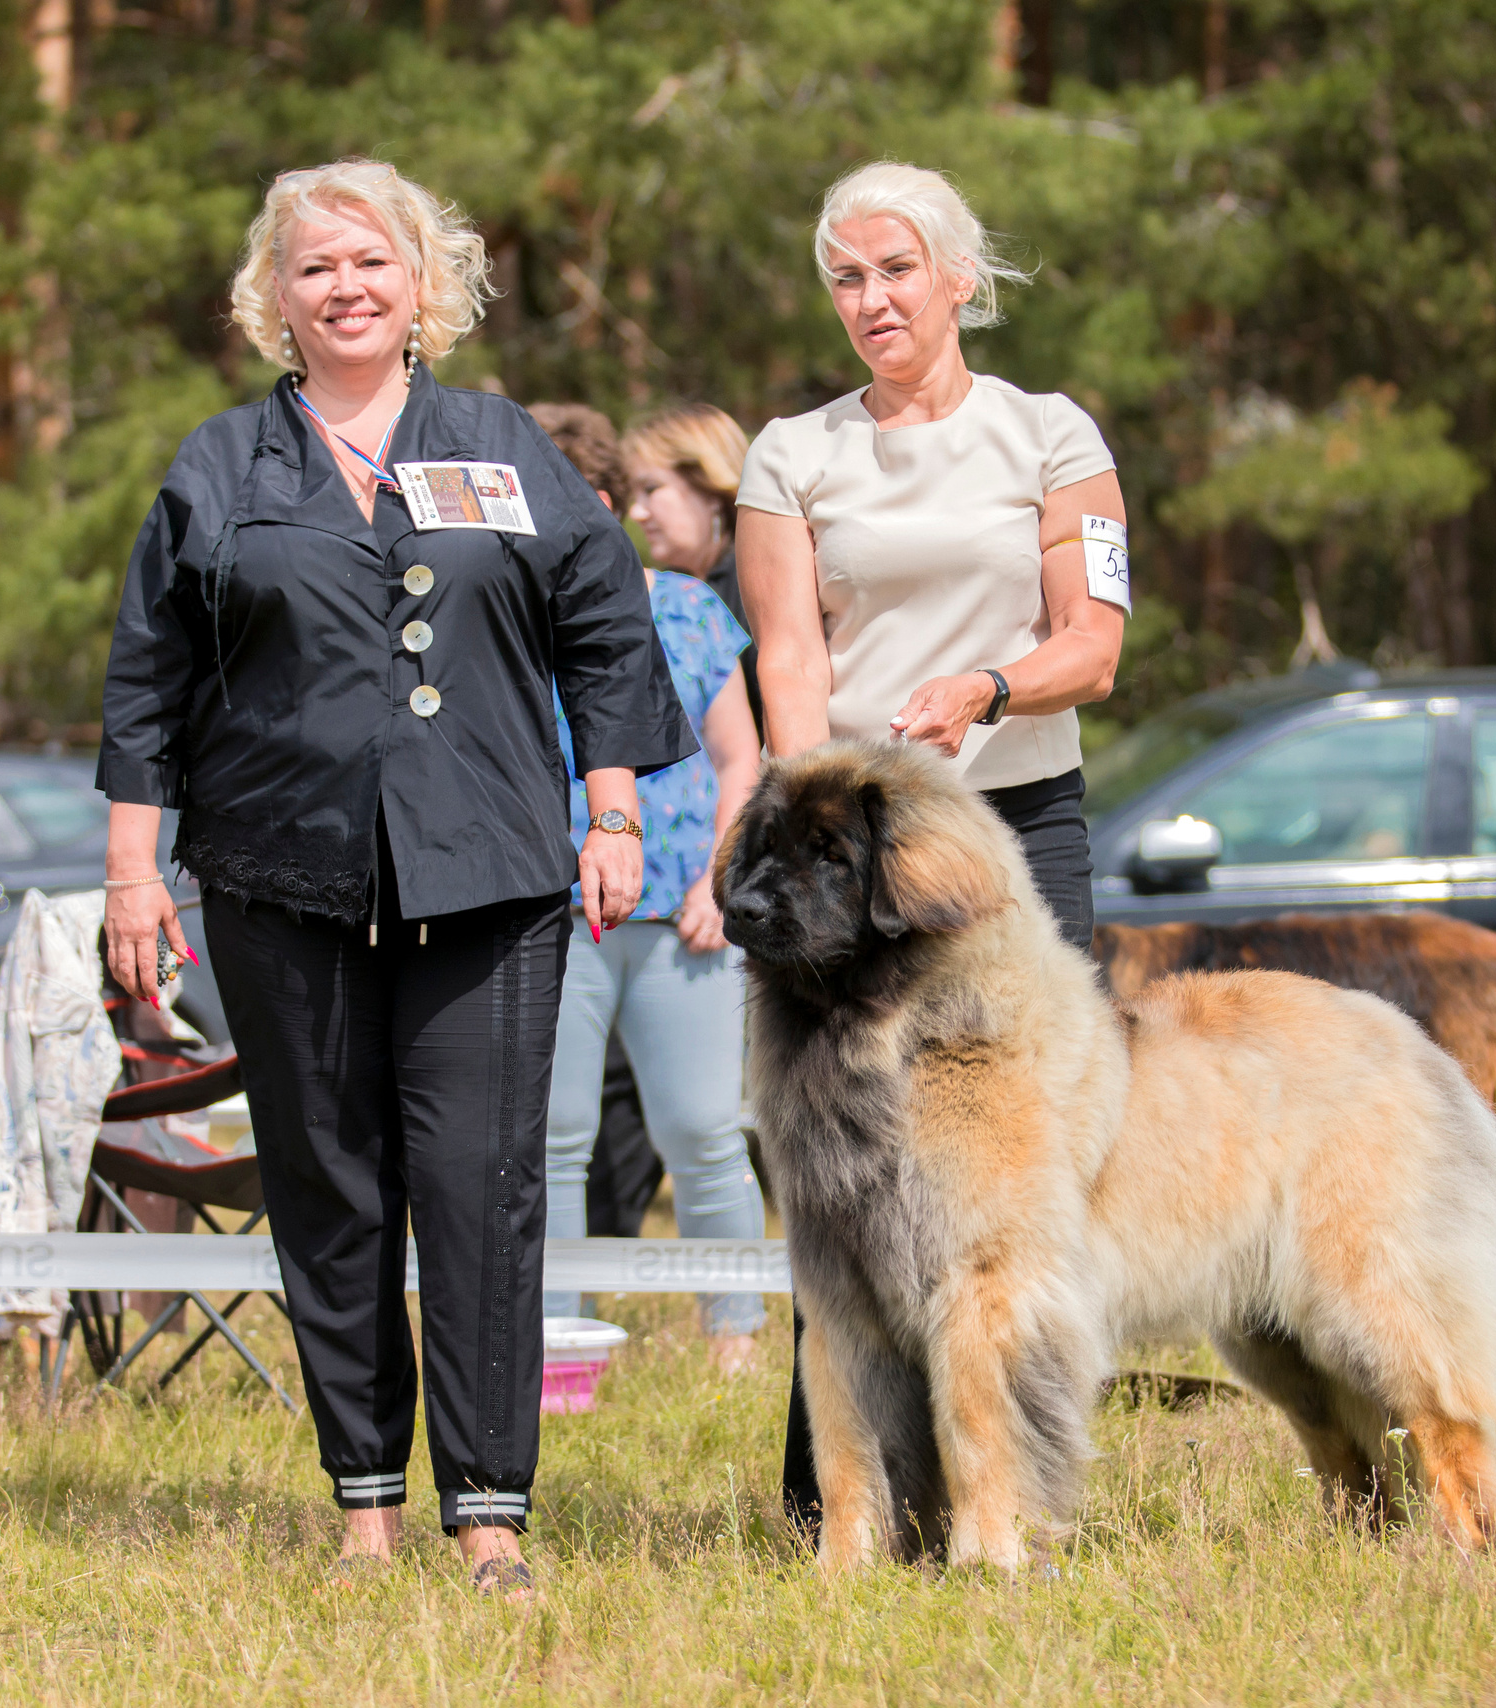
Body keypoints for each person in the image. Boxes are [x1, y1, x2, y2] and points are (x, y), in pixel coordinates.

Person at [96, 160, 694, 1598]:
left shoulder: (502, 446)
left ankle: (489, 1512)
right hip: (276, 875)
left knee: (484, 1185)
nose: (346, 287)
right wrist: (133, 879)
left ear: (425, 287)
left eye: (373, 261)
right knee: (330, 1182)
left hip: (490, 879)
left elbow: (607, 625)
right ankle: (366, 1507)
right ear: (273, 297)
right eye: (315, 267)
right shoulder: (220, 466)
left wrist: (611, 808)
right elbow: (145, 683)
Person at [733, 160, 1131, 1531]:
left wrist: (989, 688)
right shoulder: (793, 450)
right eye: (845, 277)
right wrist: (806, 814)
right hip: (850, 854)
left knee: (1008, 1186)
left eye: (896, 270)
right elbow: (789, 655)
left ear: (962, 277)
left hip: (1013, 831)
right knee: (841, 1168)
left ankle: (1006, 1488)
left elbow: (1097, 641)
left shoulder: (1052, 434)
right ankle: (834, 1498)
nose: (871, 299)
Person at [527, 402, 768, 1375]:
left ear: (610, 505)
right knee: (550, 1137)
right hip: (553, 916)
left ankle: (737, 1337)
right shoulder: (500, 617)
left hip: (687, 919)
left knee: (706, 1130)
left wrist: (724, 877)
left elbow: (738, 756)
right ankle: (553, 1338)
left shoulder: (686, 606)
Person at [621, 403, 753, 626]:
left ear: (710, 490)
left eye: (651, 489)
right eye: (634, 496)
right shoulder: (660, 593)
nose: (636, 513)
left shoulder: (761, 581)